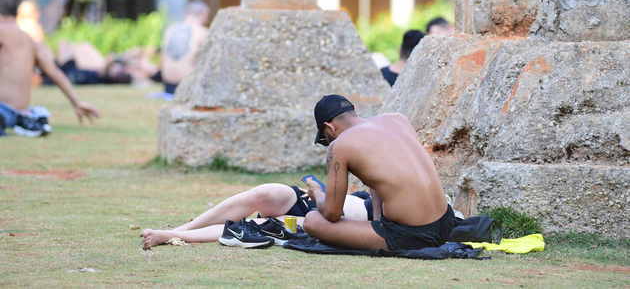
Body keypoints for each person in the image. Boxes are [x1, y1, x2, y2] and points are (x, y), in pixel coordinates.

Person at [303, 95, 456, 251]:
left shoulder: (339, 146)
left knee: (312, 220)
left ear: (329, 127)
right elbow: (385, 177)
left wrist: (317, 193)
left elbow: (332, 214)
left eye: (325, 138)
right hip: (447, 222)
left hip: (411, 235)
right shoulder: (397, 119)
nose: (328, 142)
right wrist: (377, 220)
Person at [141, 182, 372, 249]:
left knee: (259, 224)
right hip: (311, 200)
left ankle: (170, 235)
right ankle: (184, 227)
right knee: (265, 192)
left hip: (330, 218)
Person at [0, 0, 99, 137]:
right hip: (18, 114)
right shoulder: (31, 41)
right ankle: (30, 120)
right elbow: (55, 73)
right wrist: (77, 102)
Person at [160, 0, 210, 95]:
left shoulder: (170, 29)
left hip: (168, 85)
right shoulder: (203, 32)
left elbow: (163, 59)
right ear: (204, 14)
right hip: (188, 87)